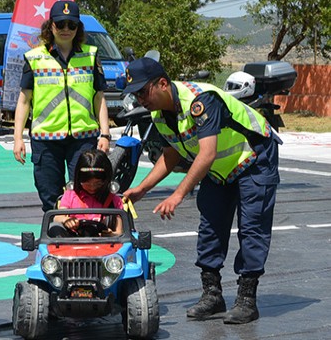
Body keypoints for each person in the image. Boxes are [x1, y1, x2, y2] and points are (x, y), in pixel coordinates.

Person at [121, 57, 282, 324]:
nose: (140, 99)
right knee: (210, 224)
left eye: (143, 91)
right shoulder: (159, 115)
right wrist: (141, 189)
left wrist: (177, 194)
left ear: (162, 83)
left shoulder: (200, 101)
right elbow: (170, 156)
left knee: (252, 226)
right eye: (135, 94)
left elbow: (206, 155)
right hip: (221, 167)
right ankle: (212, 295)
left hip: (254, 156)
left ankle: (247, 300)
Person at [13, 0, 111, 213]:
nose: (66, 29)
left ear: (79, 28)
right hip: (46, 140)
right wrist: (18, 138)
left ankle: (87, 234)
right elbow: (24, 100)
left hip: (83, 138)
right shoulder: (34, 58)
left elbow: (99, 98)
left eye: (72, 25)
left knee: (87, 191)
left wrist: (105, 134)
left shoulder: (91, 55)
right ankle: (56, 234)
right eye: (61, 24)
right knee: (50, 196)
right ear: (51, 26)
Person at [49, 149, 123, 237]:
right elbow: (57, 217)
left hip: (103, 243)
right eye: (87, 183)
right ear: (79, 179)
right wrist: (66, 220)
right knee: (54, 228)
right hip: (73, 242)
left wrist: (111, 234)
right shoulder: (70, 195)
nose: (92, 187)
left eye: (97, 184)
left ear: (106, 181)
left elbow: (120, 232)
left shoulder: (113, 200)